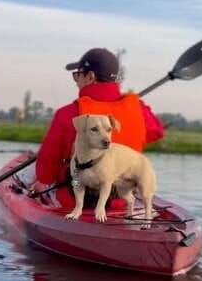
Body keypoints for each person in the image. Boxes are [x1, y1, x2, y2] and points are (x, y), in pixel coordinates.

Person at [32, 48, 164, 203]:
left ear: (90, 76)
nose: (76, 82)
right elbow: (156, 131)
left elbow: (46, 171)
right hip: (121, 200)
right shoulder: (138, 108)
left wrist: (42, 182)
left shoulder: (68, 113)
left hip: (74, 200)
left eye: (77, 75)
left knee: (47, 180)